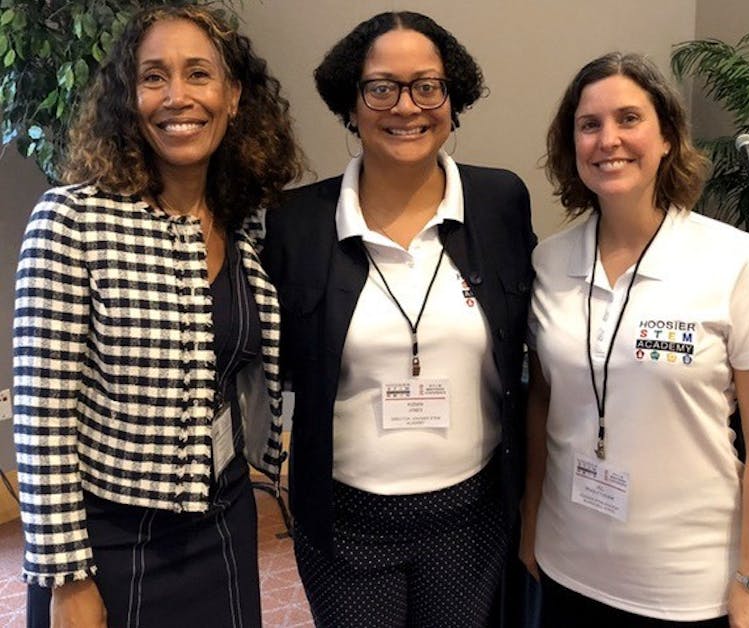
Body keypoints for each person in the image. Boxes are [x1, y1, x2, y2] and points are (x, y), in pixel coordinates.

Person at [12, 5, 303, 627]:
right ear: (129, 97)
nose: (177, 97)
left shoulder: (245, 223)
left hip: (224, 518)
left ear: (232, 96)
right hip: (110, 536)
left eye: (198, 74)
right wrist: (67, 578)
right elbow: (42, 419)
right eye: (153, 77)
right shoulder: (72, 220)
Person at [263, 11, 535, 627]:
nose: (406, 106)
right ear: (351, 104)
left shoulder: (499, 203)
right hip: (344, 520)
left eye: (427, 85)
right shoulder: (298, 223)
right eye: (381, 87)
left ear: (452, 98)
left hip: (474, 511)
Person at [520, 51, 749, 627]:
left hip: (685, 582)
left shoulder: (737, 262)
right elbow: (545, 404)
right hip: (567, 562)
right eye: (589, 124)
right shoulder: (549, 261)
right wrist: (529, 522)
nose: (608, 140)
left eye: (629, 119)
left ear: (667, 136)